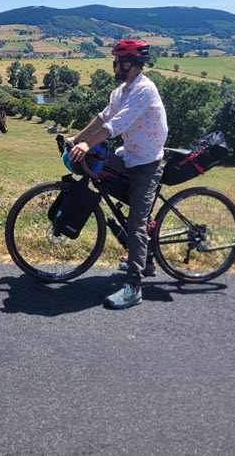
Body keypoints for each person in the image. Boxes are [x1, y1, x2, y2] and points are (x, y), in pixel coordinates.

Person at [67, 39, 168, 309]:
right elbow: (102, 118)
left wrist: (88, 144)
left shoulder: (144, 90)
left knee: (136, 224)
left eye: (115, 62)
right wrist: (76, 138)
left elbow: (116, 124)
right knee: (101, 174)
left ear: (128, 64)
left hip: (146, 162)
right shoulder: (121, 91)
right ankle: (144, 256)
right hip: (129, 155)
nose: (113, 66)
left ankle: (134, 286)